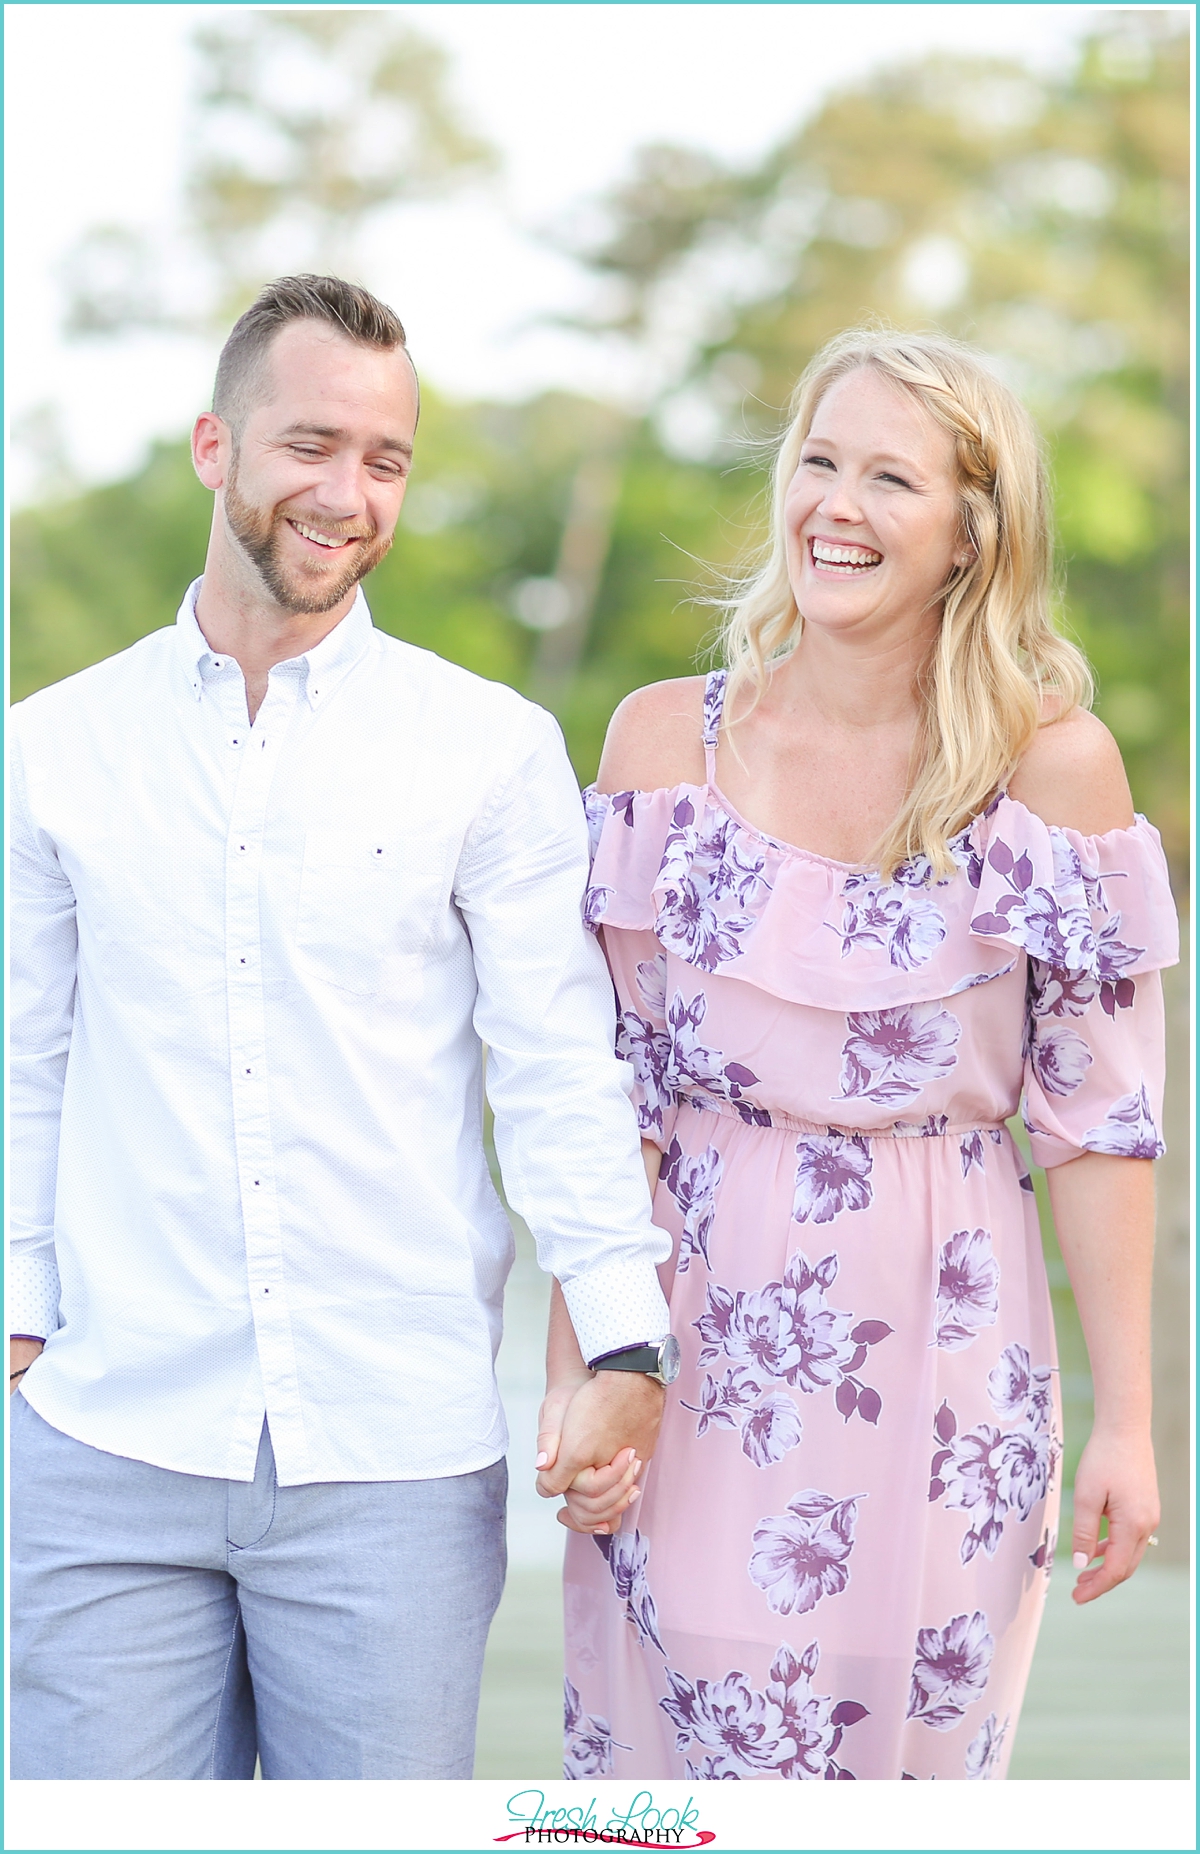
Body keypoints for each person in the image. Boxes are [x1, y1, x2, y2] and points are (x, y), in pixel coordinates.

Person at [8, 273, 675, 1781]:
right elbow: (21, 1055)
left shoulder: (490, 751)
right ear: (213, 447)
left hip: (394, 1450)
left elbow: (559, 1063)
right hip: (105, 1435)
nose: (348, 493)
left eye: (386, 460)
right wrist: (19, 1306)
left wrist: (625, 1327)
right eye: (312, 444)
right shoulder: (51, 750)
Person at [535, 328, 1178, 1781]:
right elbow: (611, 1101)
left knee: (911, 1773)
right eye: (818, 461)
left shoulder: (1051, 768)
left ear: (973, 531)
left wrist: (1131, 1426)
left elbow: (1100, 1122)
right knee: (671, 1779)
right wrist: (581, 1364)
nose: (836, 503)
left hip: (952, 1349)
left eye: (892, 476)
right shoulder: (659, 751)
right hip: (695, 1351)